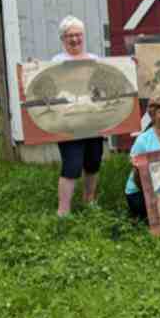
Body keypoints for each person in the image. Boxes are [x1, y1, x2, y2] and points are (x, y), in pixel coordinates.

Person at [53, 15, 103, 217]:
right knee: (72, 165)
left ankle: (89, 201)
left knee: (93, 162)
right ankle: (63, 210)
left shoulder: (95, 60)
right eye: (69, 36)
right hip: (69, 123)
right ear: (62, 39)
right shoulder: (57, 62)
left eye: (78, 35)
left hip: (93, 120)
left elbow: (104, 86)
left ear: (83, 36)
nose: (74, 39)